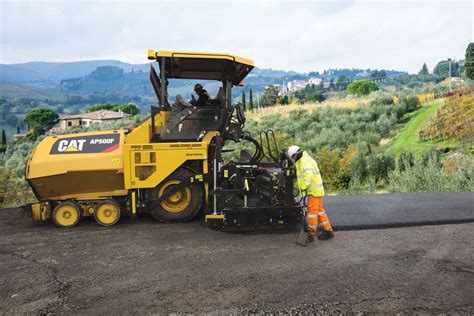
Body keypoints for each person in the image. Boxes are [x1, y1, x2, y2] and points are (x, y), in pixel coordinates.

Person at [287, 145, 334, 243]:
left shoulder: (304, 161)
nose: (293, 159)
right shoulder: (307, 159)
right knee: (319, 211)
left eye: (293, 157)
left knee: (312, 212)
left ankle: (311, 234)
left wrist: (304, 186)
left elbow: (309, 175)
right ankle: (328, 230)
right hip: (317, 189)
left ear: (296, 154)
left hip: (313, 190)